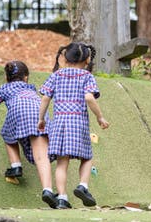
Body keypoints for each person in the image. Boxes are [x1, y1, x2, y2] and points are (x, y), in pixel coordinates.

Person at [37, 42, 109, 209]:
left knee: (62, 162)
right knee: (87, 157)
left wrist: (41, 119)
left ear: (66, 57)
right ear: (87, 60)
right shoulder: (86, 76)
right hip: (78, 122)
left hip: (59, 122)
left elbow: (45, 98)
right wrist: (100, 117)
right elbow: (90, 98)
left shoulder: (56, 75)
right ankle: (82, 186)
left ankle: (62, 198)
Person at [0, 61, 56, 207]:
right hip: (39, 113)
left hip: (18, 112)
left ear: (6, 77)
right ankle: (47, 190)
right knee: (41, 155)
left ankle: (16, 165)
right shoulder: (31, 89)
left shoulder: (4, 88)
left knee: (8, 135)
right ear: (26, 78)